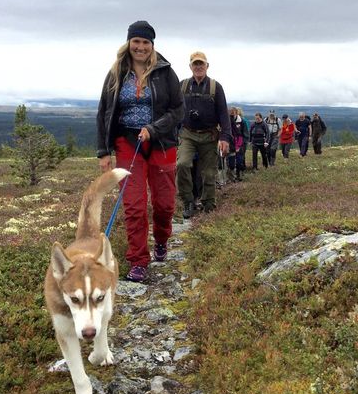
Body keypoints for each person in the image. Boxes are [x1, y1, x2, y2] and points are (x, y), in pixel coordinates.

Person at [96, 20, 184, 283]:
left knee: (164, 204)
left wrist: (154, 129)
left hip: (161, 143)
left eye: (146, 42)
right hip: (127, 142)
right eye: (136, 41)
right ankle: (138, 260)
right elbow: (103, 112)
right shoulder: (116, 74)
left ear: (152, 46)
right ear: (129, 43)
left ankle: (162, 239)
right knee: (134, 205)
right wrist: (103, 150)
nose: (141, 47)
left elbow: (177, 110)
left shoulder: (166, 73)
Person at [177, 51, 231, 217]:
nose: (198, 67)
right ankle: (188, 201)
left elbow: (223, 114)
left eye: (201, 63)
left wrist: (225, 138)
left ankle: (209, 204)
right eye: (195, 64)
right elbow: (175, 110)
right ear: (190, 66)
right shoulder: (182, 85)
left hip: (209, 135)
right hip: (187, 134)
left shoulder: (216, 87)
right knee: (182, 164)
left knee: (208, 172)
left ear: (207, 66)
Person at [231, 107, 248, 180]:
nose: (232, 115)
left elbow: (245, 134)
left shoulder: (242, 121)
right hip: (231, 143)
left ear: (236, 113)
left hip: (241, 143)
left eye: (233, 114)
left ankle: (239, 174)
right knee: (231, 161)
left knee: (239, 160)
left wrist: (241, 145)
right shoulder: (228, 121)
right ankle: (232, 176)